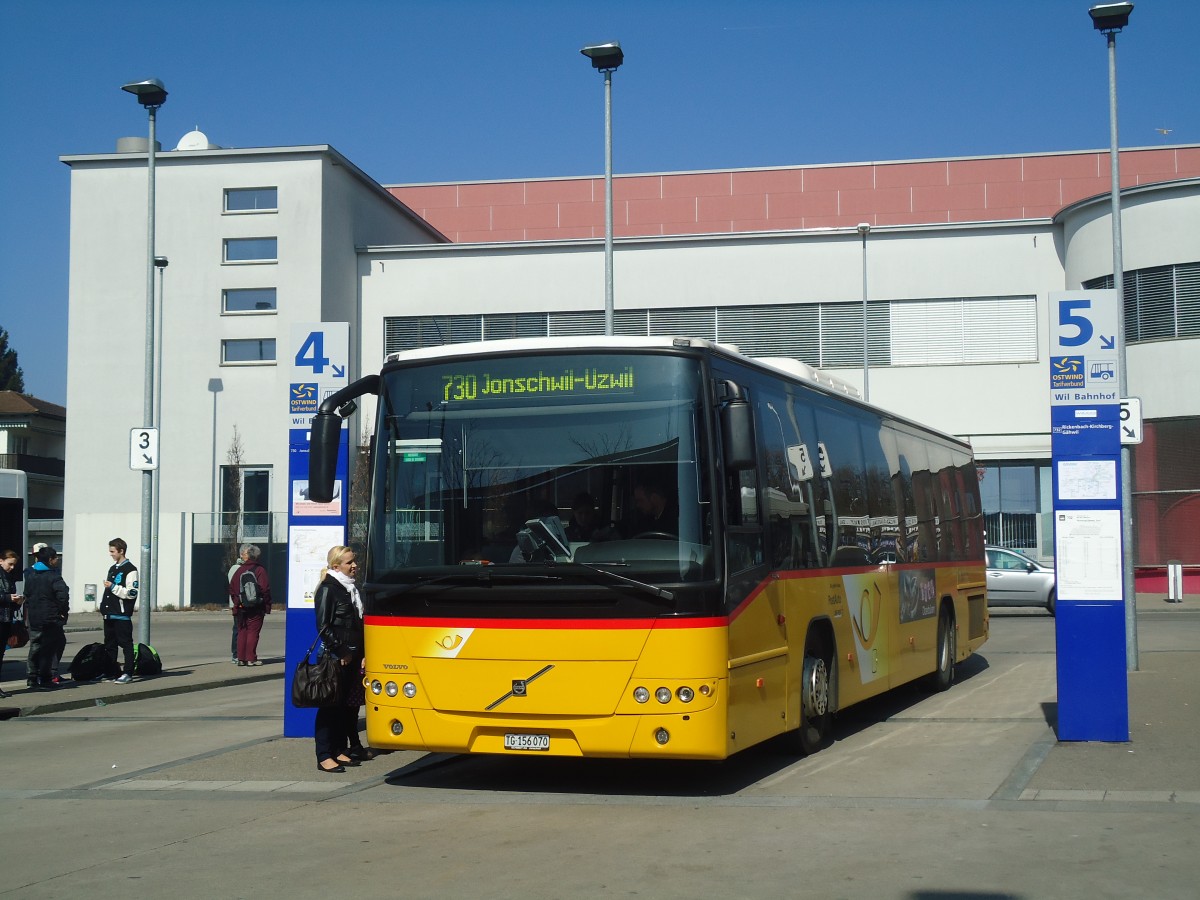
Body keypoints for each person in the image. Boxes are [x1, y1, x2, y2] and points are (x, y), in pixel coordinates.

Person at [312, 545, 374, 773]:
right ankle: (324, 755)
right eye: (349, 562)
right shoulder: (329, 588)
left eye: (354, 561)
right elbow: (323, 626)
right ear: (336, 566)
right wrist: (341, 651)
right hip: (335, 658)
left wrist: (363, 653)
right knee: (329, 707)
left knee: (342, 707)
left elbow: (357, 625)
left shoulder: (350, 589)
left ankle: (339, 750)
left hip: (352, 657)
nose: (354, 565)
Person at [23, 545, 69, 690]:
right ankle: (45, 677)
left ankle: (31, 677)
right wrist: (62, 611)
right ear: (50, 560)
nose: (57, 561)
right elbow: (63, 595)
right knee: (48, 649)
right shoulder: (53, 576)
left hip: (34, 616)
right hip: (50, 617)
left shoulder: (30, 575)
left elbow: (27, 595)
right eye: (56, 558)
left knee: (35, 646)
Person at [100, 538, 138, 684]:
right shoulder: (113, 568)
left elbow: (132, 593)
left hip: (121, 615)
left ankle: (128, 672)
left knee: (126, 644)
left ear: (121, 551)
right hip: (109, 614)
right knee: (109, 644)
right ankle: (111, 671)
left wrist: (113, 587)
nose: (111, 554)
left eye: (112, 551)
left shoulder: (131, 570)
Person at [228, 543, 272, 666]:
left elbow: (232, 588)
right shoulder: (260, 570)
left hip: (241, 607)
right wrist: (266, 604)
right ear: (256, 556)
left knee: (242, 630)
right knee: (253, 631)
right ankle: (251, 658)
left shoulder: (239, 570)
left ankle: (241, 658)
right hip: (256, 606)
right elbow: (265, 589)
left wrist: (237, 602)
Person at [0, 549, 23, 698]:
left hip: (5, 619)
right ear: (0, 561)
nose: (12, 567)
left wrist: (17, 602)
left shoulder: (8, 577)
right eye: (10, 564)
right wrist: (9, 598)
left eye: (14, 565)